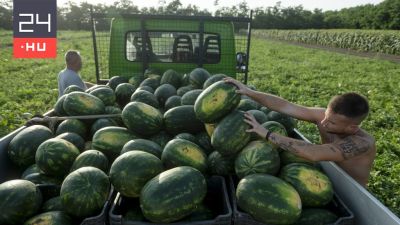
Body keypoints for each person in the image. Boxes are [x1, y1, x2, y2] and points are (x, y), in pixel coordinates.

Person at [225, 78, 376, 187]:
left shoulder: (362, 143)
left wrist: (266, 133)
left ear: (352, 128)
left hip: (352, 193)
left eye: (332, 122)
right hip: (323, 178)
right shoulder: (325, 117)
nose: (323, 123)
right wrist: (248, 91)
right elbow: (285, 106)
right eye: (326, 116)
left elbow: (313, 153)